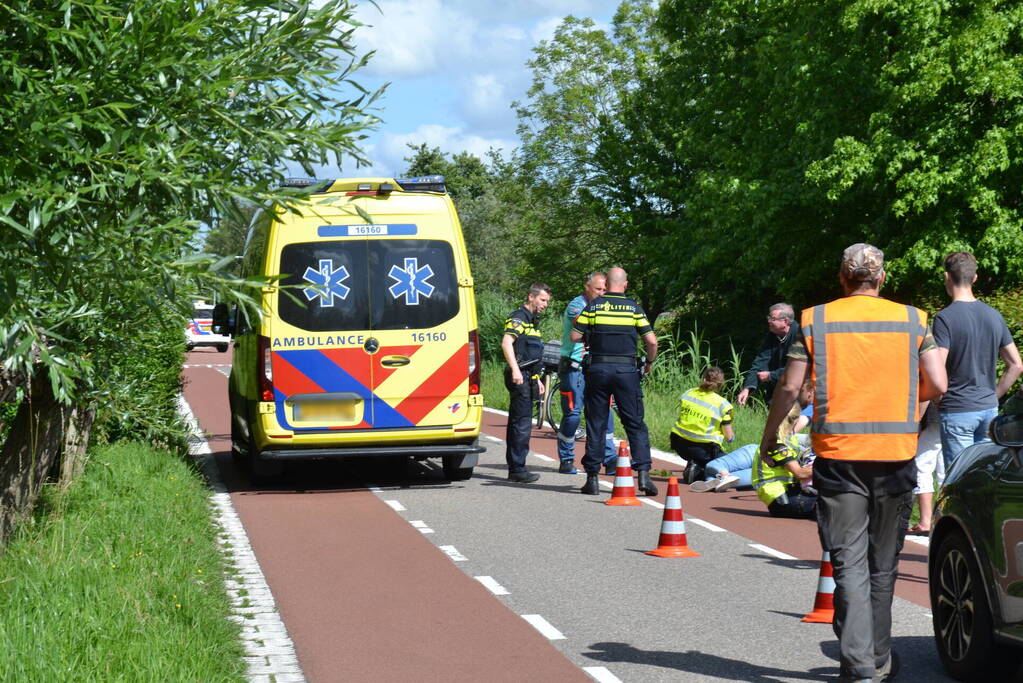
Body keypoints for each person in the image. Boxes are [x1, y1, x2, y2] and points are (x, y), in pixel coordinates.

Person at [759, 243, 946, 683]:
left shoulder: (815, 320)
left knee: (848, 564)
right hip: (896, 458)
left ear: (842, 278)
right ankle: (876, 658)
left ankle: (862, 665)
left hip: (840, 457)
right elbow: (937, 382)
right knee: (883, 565)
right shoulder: (914, 320)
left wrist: (771, 436)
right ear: (882, 279)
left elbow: (789, 388)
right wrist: (900, 397)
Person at [571, 267, 659, 496]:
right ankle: (643, 477)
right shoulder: (633, 308)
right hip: (626, 372)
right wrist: (649, 363)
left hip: (598, 370)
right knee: (635, 423)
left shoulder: (594, 306)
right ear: (625, 284)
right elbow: (652, 341)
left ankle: (592, 479)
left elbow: (575, 336)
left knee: (596, 423)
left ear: (607, 284)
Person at [933, 251, 1023, 469]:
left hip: (957, 409)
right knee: (983, 477)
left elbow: (936, 368)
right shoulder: (993, 315)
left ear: (946, 277)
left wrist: (936, 399)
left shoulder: (945, 318)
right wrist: (995, 395)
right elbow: (1016, 365)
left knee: (959, 478)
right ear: (974, 278)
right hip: (988, 410)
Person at [556, 272, 617, 475]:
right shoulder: (577, 305)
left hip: (597, 367)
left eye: (605, 290)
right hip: (575, 368)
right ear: (587, 287)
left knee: (605, 413)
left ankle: (610, 459)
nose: (602, 293)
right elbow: (586, 329)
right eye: (598, 289)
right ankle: (566, 459)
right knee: (573, 414)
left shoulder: (604, 306)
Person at [501, 283, 552, 484]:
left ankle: (517, 465)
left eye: (547, 301)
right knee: (520, 424)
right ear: (531, 297)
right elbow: (506, 342)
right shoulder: (519, 317)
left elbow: (531, 354)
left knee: (521, 422)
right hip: (519, 375)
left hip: (528, 376)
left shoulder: (532, 322)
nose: (545, 305)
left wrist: (537, 379)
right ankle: (517, 468)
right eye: (542, 300)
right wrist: (515, 369)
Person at [752, 380, 817, 518]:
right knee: (828, 506)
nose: (795, 421)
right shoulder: (776, 442)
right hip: (780, 500)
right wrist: (830, 468)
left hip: (790, 492)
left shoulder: (788, 438)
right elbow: (800, 473)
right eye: (793, 418)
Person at [670, 366, 735, 484]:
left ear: (704, 379)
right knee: (728, 462)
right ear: (721, 383)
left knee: (700, 455)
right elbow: (729, 437)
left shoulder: (688, 393)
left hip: (679, 444)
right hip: (705, 449)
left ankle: (694, 465)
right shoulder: (723, 404)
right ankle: (702, 468)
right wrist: (731, 438)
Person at [736, 303, 801, 406]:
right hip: (776, 391)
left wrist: (771, 375)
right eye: (769, 317)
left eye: (773, 318)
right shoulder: (772, 335)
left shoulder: (800, 335)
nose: (769, 321)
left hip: (798, 393)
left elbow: (796, 369)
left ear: (785, 321)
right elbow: (760, 361)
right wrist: (747, 388)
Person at [909, 402, 943, 535]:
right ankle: (942, 519)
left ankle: (926, 521)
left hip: (936, 418)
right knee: (946, 471)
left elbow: (932, 390)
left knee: (921, 466)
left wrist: (916, 420)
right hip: (961, 414)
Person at [689, 442, 756, 492]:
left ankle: (718, 478)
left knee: (715, 465)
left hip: (756, 453)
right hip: (764, 468)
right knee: (736, 480)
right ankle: (718, 479)